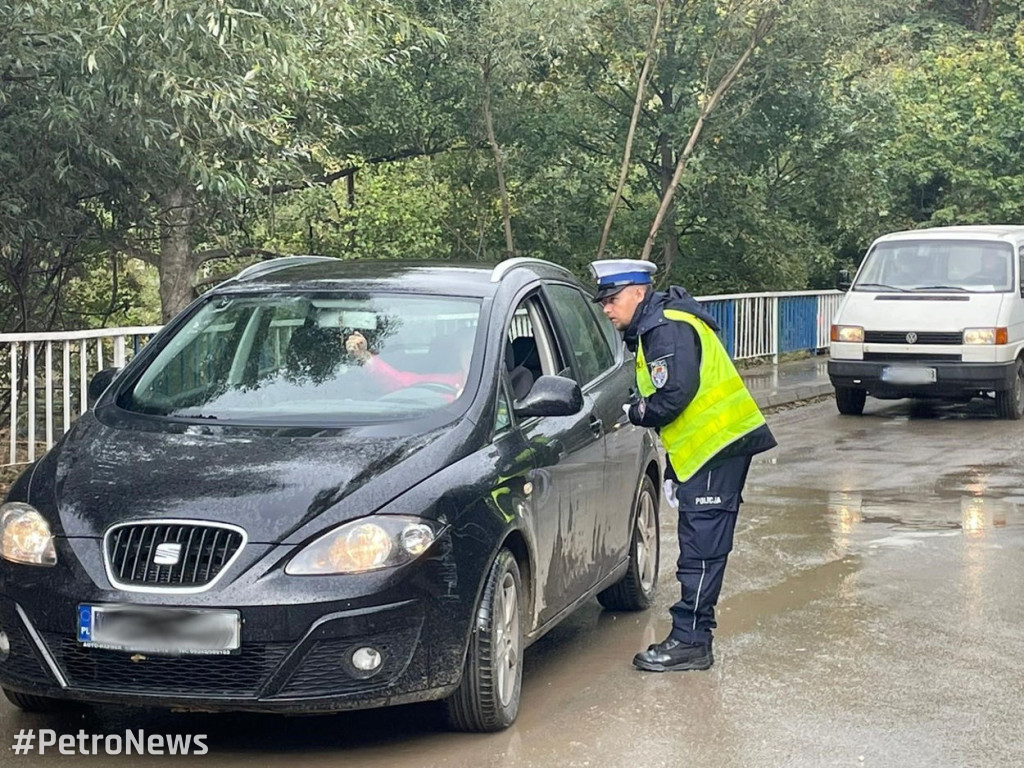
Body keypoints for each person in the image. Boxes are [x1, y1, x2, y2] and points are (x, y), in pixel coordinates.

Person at [590, 258, 777, 672]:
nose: (606, 308)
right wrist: (676, 469)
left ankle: (691, 641)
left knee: (701, 550)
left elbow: (673, 396)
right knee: (701, 544)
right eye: (603, 301)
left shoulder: (665, 328)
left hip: (718, 446)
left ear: (639, 293)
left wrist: (636, 412)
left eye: (612, 299)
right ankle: (694, 637)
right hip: (707, 449)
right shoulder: (658, 324)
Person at [344, 328, 473, 400]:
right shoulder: (442, 383)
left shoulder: (493, 385)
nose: (471, 353)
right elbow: (398, 381)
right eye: (467, 348)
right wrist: (364, 357)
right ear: (459, 355)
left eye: (476, 348)